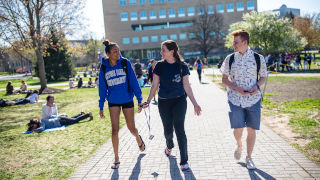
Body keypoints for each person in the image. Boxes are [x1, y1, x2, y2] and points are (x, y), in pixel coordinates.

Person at [143, 40, 201, 172]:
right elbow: (154, 85)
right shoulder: (159, 66)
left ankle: (184, 160)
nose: (161, 52)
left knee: (180, 129)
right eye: (161, 49)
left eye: (163, 50)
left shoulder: (182, 66)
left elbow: (187, 86)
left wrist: (195, 104)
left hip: (179, 101)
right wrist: (148, 101)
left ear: (171, 51)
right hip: (163, 102)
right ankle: (169, 145)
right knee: (168, 130)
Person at [221, 30, 267, 170]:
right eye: (233, 42)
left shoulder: (258, 58)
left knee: (251, 129)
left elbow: (263, 77)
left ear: (245, 42)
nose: (233, 45)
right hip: (235, 99)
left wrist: (256, 86)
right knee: (238, 128)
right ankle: (239, 144)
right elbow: (224, 79)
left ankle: (249, 157)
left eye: (236, 42)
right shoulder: (230, 58)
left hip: (254, 100)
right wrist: (236, 88)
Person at [98, 39, 145, 169]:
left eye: (118, 51)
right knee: (114, 130)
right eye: (114, 51)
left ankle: (138, 139)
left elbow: (134, 81)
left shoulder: (125, 63)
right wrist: (101, 106)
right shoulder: (103, 67)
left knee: (131, 128)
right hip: (113, 101)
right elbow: (102, 88)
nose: (118, 53)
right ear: (108, 54)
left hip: (127, 100)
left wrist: (139, 99)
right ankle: (116, 158)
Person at [27, 112, 93, 132]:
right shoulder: (41, 121)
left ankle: (88, 114)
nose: (33, 127)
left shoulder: (41, 122)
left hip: (60, 121)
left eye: (33, 126)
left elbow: (42, 129)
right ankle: (80, 114)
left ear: (35, 123)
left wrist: (34, 130)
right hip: (60, 120)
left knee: (74, 121)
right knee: (72, 119)